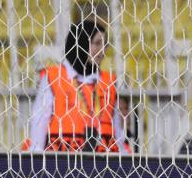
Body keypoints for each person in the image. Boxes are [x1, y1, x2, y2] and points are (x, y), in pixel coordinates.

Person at [27, 19, 127, 153]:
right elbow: (40, 119)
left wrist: (124, 155)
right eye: (97, 43)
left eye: (105, 44)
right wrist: (36, 153)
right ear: (81, 43)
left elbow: (116, 127)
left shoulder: (108, 81)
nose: (103, 50)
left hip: (103, 162)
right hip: (62, 160)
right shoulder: (53, 77)